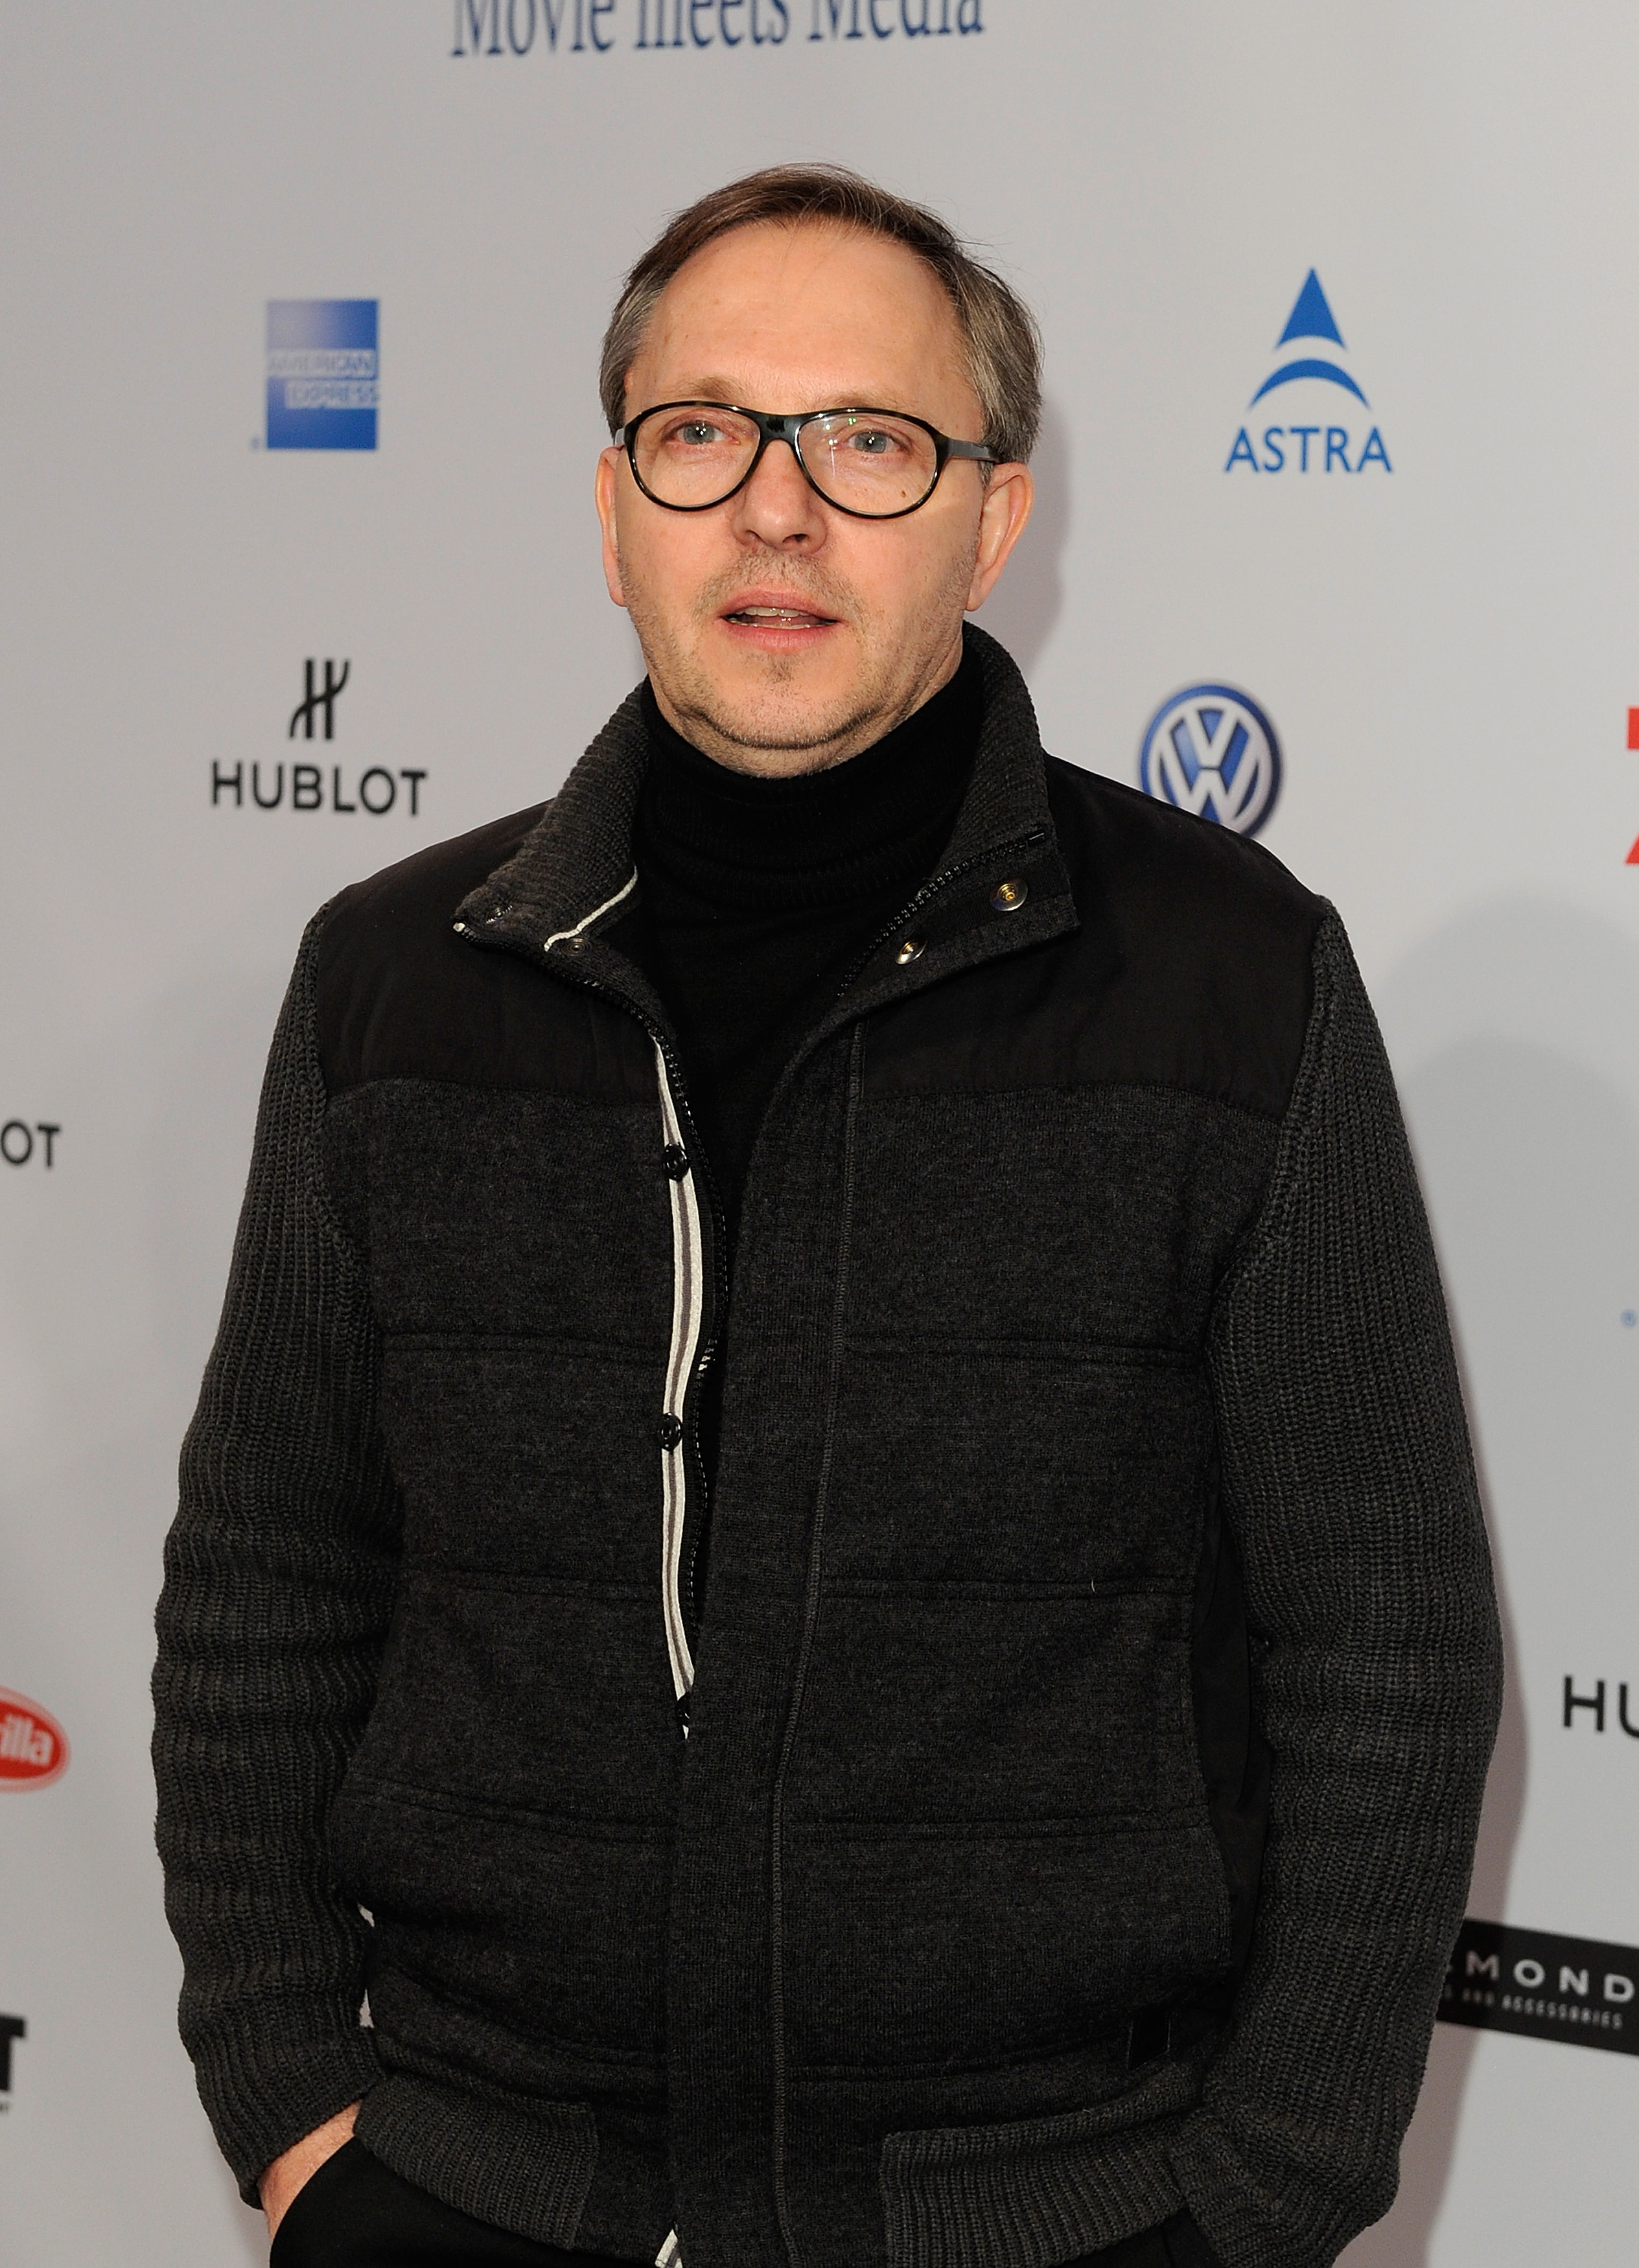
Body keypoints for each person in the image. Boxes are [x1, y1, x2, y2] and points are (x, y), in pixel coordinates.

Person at [153, 165, 1503, 2268]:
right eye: (703, 435)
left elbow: (1387, 1644)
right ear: (614, 514)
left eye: (869, 444)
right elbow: (266, 1575)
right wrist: (292, 2108)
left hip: (1055, 2213)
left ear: (992, 517)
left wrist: (1261, 2201)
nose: (776, 511)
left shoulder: (1228, 979)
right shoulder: (395, 980)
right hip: (468, 2187)